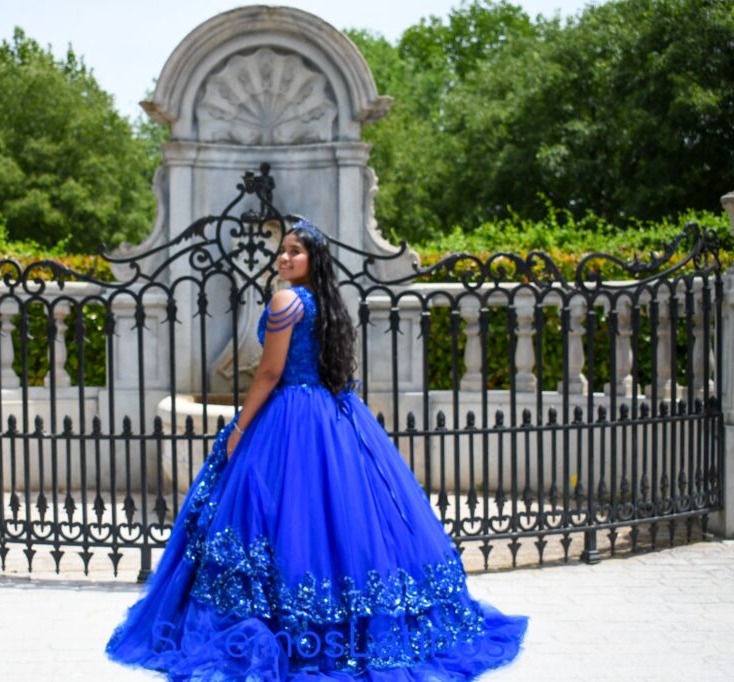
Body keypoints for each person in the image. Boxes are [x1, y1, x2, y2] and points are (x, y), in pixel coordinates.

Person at [106, 219, 527, 680]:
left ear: (312, 261)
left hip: (288, 415)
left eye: (295, 252)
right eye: (282, 250)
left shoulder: (286, 299)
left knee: (279, 518)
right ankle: (349, 627)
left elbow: (268, 373)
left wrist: (239, 428)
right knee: (333, 521)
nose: (284, 258)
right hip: (327, 413)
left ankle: (290, 626)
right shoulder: (324, 302)